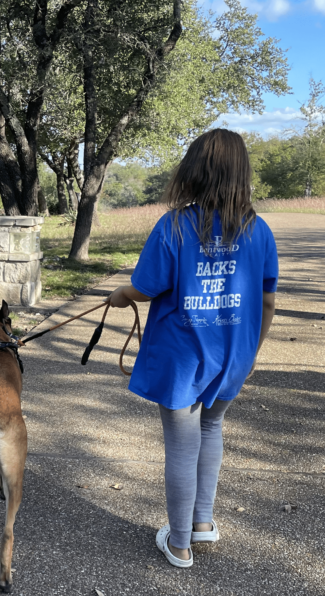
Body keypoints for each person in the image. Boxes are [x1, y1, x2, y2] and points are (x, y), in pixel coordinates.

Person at [107, 129, 277, 569]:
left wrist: (121, 295)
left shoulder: (174, 226)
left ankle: (179, 543)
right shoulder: (258, 231)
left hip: (183, 360)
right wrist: (252, 353)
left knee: (182, 445)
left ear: (193, 171)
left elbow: (145, 287)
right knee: (212, 429)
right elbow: (269, 298)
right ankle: (202, 522)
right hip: (234, 356)